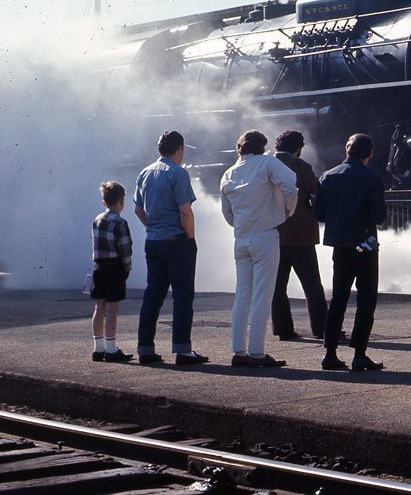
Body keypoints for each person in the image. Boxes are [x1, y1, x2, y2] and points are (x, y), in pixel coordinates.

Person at [220, 130, 297, 368]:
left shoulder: (229, 172)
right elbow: (291, 184)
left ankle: (238, 351)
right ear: (263, 147)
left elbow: (227, 213)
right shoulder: (268, 164)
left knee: (242, 296)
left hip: (241, 237)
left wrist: (241, 223)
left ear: (240, 148)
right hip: (265, 235)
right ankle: (257, 352)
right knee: (262, 296)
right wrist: (287, 211)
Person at [316, 132, 388, 372]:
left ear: (347, 150)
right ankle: (359, 354)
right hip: (365, 244)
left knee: (338, 298)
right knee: (366, 299)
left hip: (340, 244)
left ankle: (330, 353)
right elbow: (378, 216)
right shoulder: (372, 178)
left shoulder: (327, 176)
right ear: (370, 153)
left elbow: (319, 214)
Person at [135, 131, 208, 366]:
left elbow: (138, 210)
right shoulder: (178, 173)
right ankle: (182, 350)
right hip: (177, 241)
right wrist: (190, 236)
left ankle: (145, 348)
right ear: (180, 149)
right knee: (182, 296)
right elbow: (185, 210)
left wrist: (152, 226)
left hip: (153, 241)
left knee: (153, 295)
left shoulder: (145, 172)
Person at [271, 129, 329, 342]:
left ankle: (283, 328)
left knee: (277, 286)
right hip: (300, 234)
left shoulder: (266, 165)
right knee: (312, 285)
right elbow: (316, 190)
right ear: (298, 147)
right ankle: (322, 328)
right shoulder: (300, 166)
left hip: (273, 234)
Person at [90, 181, 133, 363]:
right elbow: (125, 249)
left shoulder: (97, 220)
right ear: (121, 201)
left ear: (104, 202)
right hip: (115, 267)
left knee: (99, 307)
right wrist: (127, 268)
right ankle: (111, 349)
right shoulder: (120, 222)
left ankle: (98, 348)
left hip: (99, 267)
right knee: (112, 309)